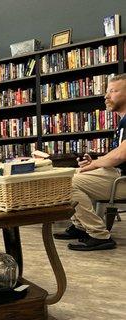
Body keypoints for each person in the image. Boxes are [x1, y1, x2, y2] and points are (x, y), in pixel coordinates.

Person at [54, 74, 126, 250]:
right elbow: (118, 153)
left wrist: (95, 164)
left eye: (113, 91)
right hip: (117, 176)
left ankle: (99, 235)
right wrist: (96, 161)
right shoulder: (123, 121)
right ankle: (81, 227)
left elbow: (121, 155)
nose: (106, 96)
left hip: (122, 180)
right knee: (67, 177)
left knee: (67, 183)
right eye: (106, 92)